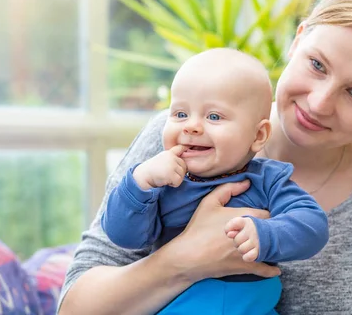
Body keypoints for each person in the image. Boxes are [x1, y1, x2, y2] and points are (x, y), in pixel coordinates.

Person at [58, 0, 352, 314]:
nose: (319, 103)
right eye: (317, 65)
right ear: (298, 41)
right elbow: (76, 307)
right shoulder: (179, 139)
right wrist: (185, 259)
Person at [100, 48, 329, 314]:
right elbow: (123, 236)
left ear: (258, 135)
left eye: (214, 117)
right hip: (177, 302)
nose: (192, 127)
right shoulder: (161, 179)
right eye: (180, 114)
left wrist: (266, 234)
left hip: (248, 304)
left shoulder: (268, 180)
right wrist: (139, 184)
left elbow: (313, 225)